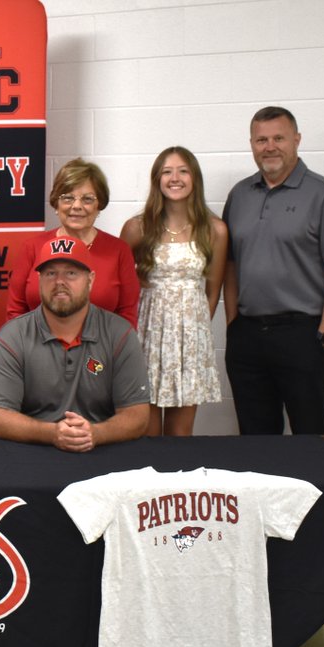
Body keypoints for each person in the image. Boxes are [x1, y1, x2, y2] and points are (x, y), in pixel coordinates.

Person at [222, 106, 324, 435]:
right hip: (248, 336)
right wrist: (233, 326)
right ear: (251, 144)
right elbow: (230, 268)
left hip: (303, 335)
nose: (269, 146)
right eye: (261, 139)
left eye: (278, 138)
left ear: (296, 140)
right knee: (255, 439)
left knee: (310, 438)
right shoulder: (239, 195)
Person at [0, 236, 149, 452]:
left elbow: (137, 416)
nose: (60, 282)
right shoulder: (12, 336)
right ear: (39, 280)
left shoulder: (120, 334)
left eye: (71, 273)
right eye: (51, 273)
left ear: (90, 280)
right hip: (31, 453)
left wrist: (96, 433)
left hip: (102, 453)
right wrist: (53, 433)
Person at [120, 147, 228, 436]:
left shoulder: (214, 229)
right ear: (157, 179)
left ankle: (179, 482)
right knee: (148, 432)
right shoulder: (137, 227)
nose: (175, 178)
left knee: (180, 437)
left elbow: (213, 289)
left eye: (183, 171)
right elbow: (120, 283)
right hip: (148, 336)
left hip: (189, 341)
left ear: (195, 178)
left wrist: (195, 333)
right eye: (167, 172)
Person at [6, 158, 139, 328]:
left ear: (99, 205)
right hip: (36, 349)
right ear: (56, 203)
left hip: (101, 351)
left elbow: (127, 316)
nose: (76, 206)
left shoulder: (119, 251)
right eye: (68, 198)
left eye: (87, 199)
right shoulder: (31, 248)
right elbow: (15, 312)